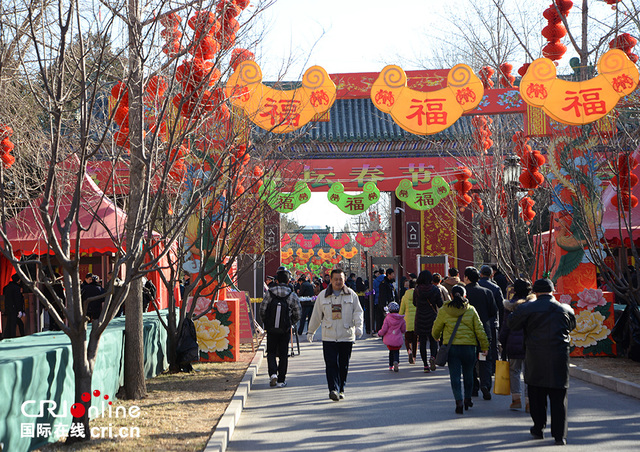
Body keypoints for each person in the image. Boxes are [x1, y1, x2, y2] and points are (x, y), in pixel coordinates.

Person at [508, 278, 576, 446]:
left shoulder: (526, 308)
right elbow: (571, 326)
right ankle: (560, 435)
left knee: (537, 394)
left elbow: (512, 324)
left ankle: (539, 428)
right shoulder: (565, 309)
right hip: (559, 356)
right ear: (552, 291)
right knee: (559, 398)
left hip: (535, 355)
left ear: (535, 292)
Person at [307, 268, 364, 401]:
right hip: (329, 336)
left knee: (343, 364)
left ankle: (341, 389)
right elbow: (316, 315)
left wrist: (359, 327)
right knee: (331, 363)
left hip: (346, 335)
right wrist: (311, 331)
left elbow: (358, 312)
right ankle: (333, 389)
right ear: (331, 280)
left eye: (341, 279)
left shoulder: (351, 295)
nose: (338, 282)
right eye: (336, 279)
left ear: (344, 280)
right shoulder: (323, 296)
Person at [432, 285, 489, 414]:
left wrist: (436, 337)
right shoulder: (471, 310)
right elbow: (479, 329)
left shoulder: (444, 310)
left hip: (452, 348)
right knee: (469, 374)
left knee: (455, 375)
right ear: (465, 296)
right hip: (469, 348)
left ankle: (458, 401)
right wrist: (484, 346)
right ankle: (468, 398)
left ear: (451, 296)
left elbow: (436, 329)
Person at [260, 269, 301, 388]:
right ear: (289, 281)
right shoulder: (292, 295)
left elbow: (262, 309)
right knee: (283, 354)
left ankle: (273, 374)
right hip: (285, 329)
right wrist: (290, 323)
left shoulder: (270, 292)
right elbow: (298, 313)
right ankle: (281, 380)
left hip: (272, 328)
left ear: (277, 280)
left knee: (271, 352)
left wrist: (267, 322)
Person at [500, 279, 534, 412]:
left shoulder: (510, 306)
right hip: (530, 344)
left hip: (513, 344)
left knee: (514, 371)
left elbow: (505, 327)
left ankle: (516, 400)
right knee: (529, 373)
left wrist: (502, 341)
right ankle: (529, 402)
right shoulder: (534, 305)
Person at [464, 266, 497, 400]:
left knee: (470, 360)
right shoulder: (487, 292)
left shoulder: (464, 292)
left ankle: (474, 387)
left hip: (468, 331)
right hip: (484, 330)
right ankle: (486, 384)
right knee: (484, 359)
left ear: (466, 278)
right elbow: (493, 312)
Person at [413, 270, 443, 373]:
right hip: (432, 317)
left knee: (422, 342)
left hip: (420, 317)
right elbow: (440, 304)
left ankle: (425, 365)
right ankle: (433, 357)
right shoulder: (435, 289)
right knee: (433, 340)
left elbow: (414, 303)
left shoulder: (416, 290)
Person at [378, 301, 406, 372]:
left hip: (389, 339)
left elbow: (384, 328)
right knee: (396, 351)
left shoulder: (387, 318)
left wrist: (379, 333)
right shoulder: (401, 319)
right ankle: (396, 361)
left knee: (391, 352)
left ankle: (391, 365)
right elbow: (403, 329)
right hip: (398, 339)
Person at [399, 279, 417, 364]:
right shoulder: (418, 295)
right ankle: (413, 357)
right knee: (415, 340)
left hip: (407, 321)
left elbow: (401, 311)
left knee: (407, 339)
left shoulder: (405, 296)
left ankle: (409, 351)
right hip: (417, 321)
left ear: (408, 286)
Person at [3, 274, 25, 338]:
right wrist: (20, 310)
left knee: (10, 324)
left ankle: (7, 336)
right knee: (14, 324)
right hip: (15, 309)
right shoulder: (16, 288)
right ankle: (13, 337)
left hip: (9, 308)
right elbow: (17, 300)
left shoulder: (7, 287)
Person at [376, 268, 398, 334]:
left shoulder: (391, 283)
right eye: (392, 274)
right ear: (388, 274)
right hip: (387, 305)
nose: (393, 275)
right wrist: (384, 305)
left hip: (392, 304)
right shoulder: (384, 283)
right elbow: (383, 296)